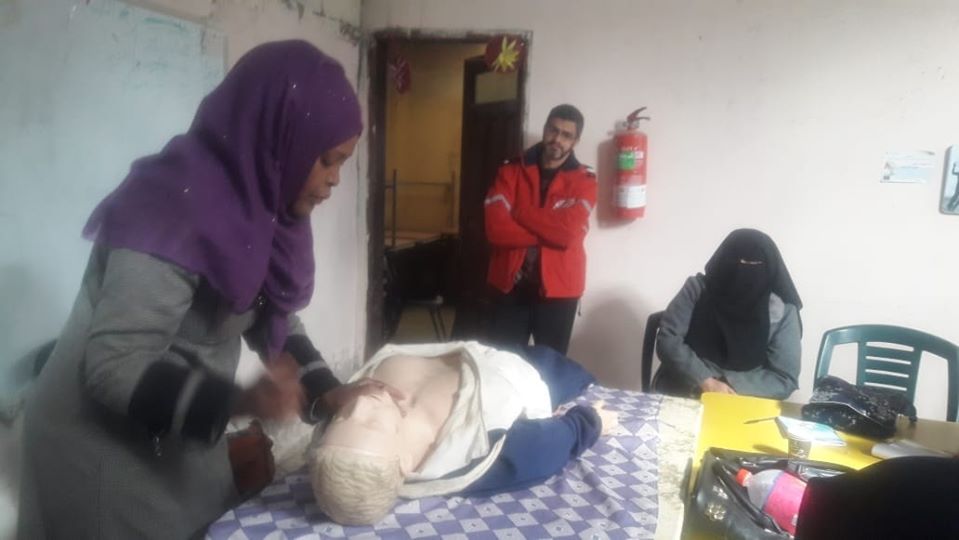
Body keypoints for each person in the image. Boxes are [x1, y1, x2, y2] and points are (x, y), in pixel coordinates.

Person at [17, 40, 382, 540]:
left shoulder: (263, 212)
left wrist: (325, 389)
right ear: (282, 139)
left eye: (342, 163)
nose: (335, 180)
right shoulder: (168, 210)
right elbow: (115, 365)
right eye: (326, 160)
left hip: (177, 430)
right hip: (100, 451)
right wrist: (242, 401)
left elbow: (270, 310)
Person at [308, 342, 618, 526]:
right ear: (403, 463)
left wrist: (331, 400)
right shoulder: (472, 455)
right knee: (578, 374)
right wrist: (591, 422)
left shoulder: (350, 410)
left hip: (478, 349)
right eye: (371, 424)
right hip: (533, 370)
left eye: (342, 418)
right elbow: (545, 449)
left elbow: (328, 407)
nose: (361, 404)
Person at [484, 104, 596, 355]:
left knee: (550, 366)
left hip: (560, 291)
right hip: (510, 288)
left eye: (566, 135)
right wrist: (549, 230)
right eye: (553, 130)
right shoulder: (509, 170)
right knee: (505, 365)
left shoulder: (584, 181)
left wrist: (519, 212)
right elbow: (496, 229)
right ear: (545, 129)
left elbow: (566, 235)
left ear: (575, 141)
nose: (557, 139)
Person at [654, 229, 803, 400]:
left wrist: (728, 385)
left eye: (755, 263)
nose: (743, 269)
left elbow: (784, 377)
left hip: (745, 398)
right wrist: (705, 380)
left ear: (770, 268)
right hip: (685, 386)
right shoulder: (697, 289)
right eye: (738, 261)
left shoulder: (783, 309)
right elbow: (668, 339)